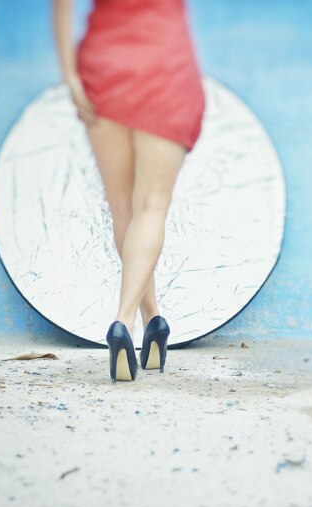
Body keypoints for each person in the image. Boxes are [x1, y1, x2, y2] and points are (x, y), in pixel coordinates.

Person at [52, 0, 206, 382]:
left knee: (123, 207)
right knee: (151, 206)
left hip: (105, 65)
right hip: (164, 62)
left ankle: (153, 321)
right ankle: (123, 321)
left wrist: (70, 74)